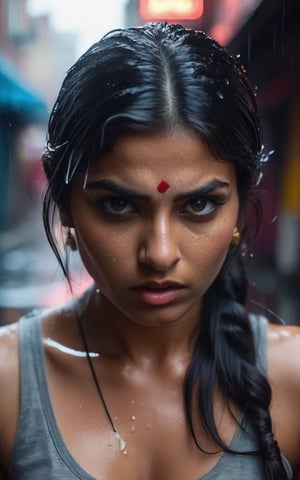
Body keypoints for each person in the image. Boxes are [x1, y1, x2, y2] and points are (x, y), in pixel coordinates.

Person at [0, 22, 299, 480]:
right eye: (118, 204)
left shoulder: (293, 378)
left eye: (199, 204)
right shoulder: (8, 384)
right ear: (63, 202)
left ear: (240, 206)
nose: (159, 254)